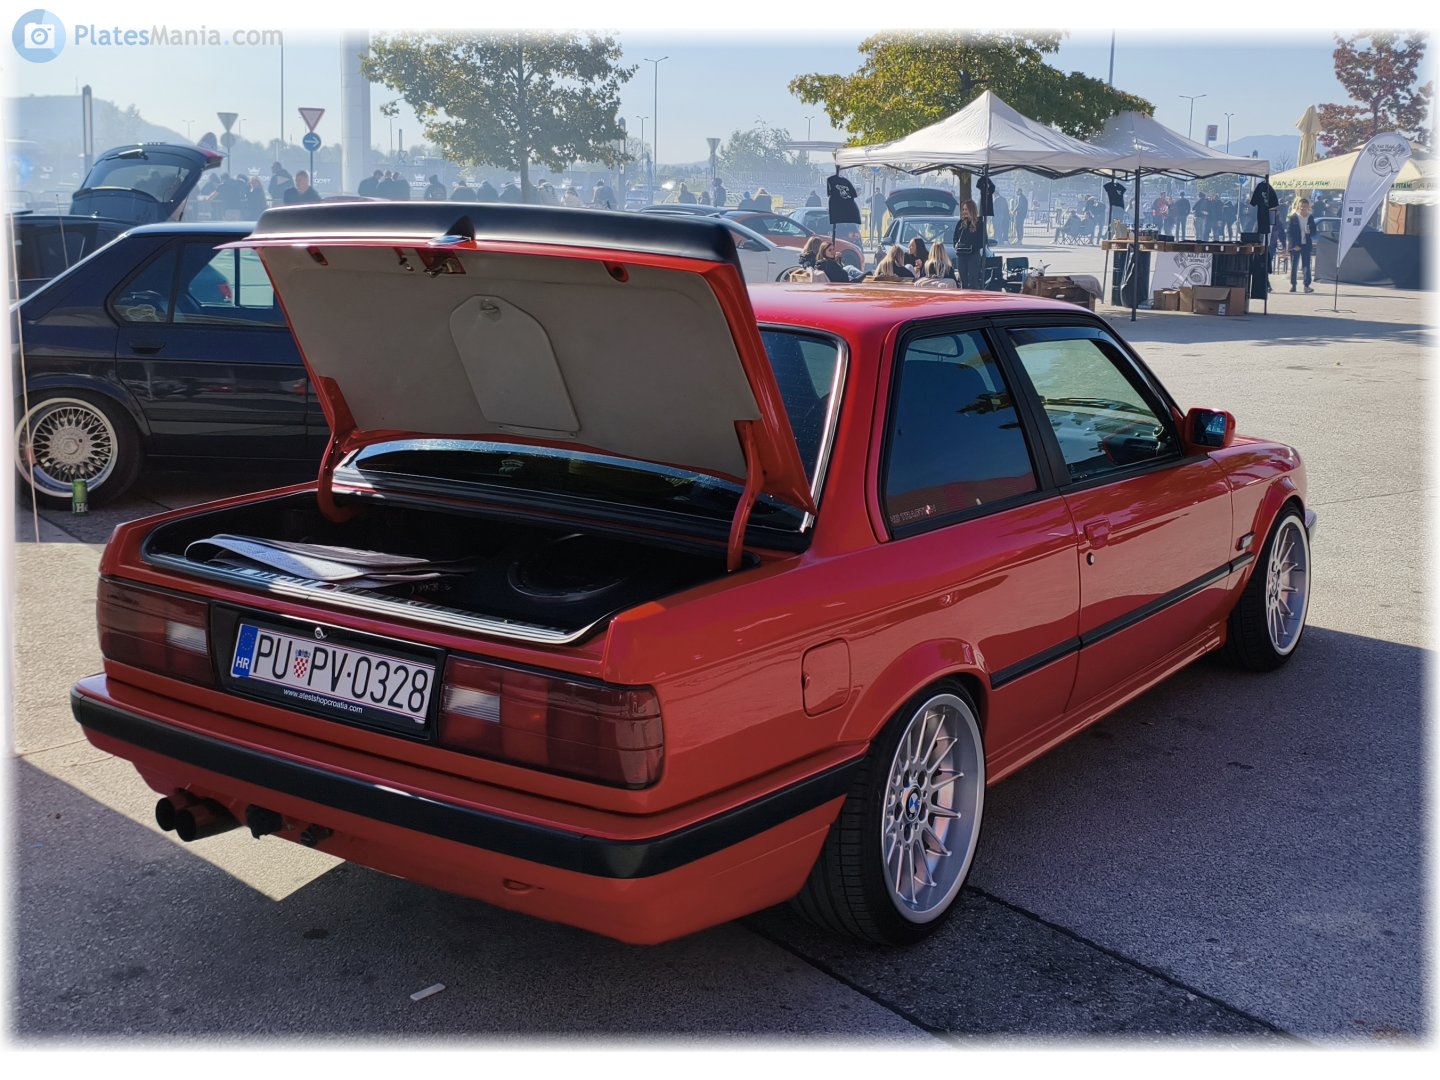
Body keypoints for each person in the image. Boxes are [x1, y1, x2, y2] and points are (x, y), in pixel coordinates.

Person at [1287, 196, 1317, 292]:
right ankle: (1293, 285)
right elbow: (1289, 233)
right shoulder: (1293, 217)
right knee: (1294, 266)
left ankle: (1306, 285)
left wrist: (1310, 231)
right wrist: (1293, 245)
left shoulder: (1310, 217)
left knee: (1306, 266)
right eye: (1301, 206)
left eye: (1305, 206)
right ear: (1298, 207)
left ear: (1308, 207)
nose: (1303, 208)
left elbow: (1314, 232)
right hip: (1295, 245)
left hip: (1306, 245)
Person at [952, 199, 984, 287]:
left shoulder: (979, 223)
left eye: (966, 209)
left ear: (972, 210)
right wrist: (955, 245)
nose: (964, 212)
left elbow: (983, 240)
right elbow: (955, 237)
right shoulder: (960, 223)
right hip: (961, 255)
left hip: (973, 255)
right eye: (963, 209)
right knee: (963, 280)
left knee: (972, 280)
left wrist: (972, 247)